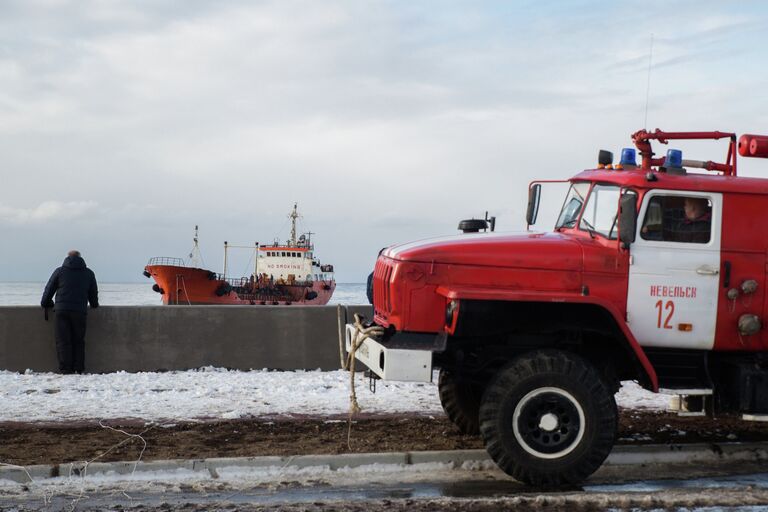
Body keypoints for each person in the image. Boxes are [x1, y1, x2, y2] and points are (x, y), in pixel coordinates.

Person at [40, 250, 99, 374]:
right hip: (79, 312)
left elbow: (48, 292)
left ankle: (66, 369)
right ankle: (78, 368)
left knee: (63, 341)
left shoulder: (59, 271)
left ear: (67, 258)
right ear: (81, 258)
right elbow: (93, 296)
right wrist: (94, 304)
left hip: (61, 311)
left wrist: (47, 304)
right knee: (78, 340)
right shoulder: (88, 273)